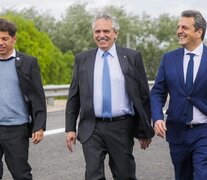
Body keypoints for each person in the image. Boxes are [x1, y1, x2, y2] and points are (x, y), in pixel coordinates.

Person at [65, 12, 154, 180]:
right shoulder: (82, 59)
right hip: (91, 127)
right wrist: (70, 128)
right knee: (93, 175)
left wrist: (144, 130)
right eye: (97, 32)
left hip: (121, 127)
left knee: (124, 175)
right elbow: (74, 96)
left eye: (106, 31)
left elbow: (143, 96)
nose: (102, 35)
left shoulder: (132, 57)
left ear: (115, 33)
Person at [151, 10, 207, 180]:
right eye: (178, 27)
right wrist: (157, 117)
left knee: (203, 174)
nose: (179, 31)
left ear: (199, 32)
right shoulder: (169, 59)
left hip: (204, 130)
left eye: (184, 27)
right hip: (177, 131)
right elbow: (157, 92)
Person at [0, 18, 46, 179]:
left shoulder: (28, 62)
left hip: (16, 129)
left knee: (21, 174)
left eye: (4, 38)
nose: (1, 43)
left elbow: (38, 96)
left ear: (14, 38)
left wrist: (39, 126)